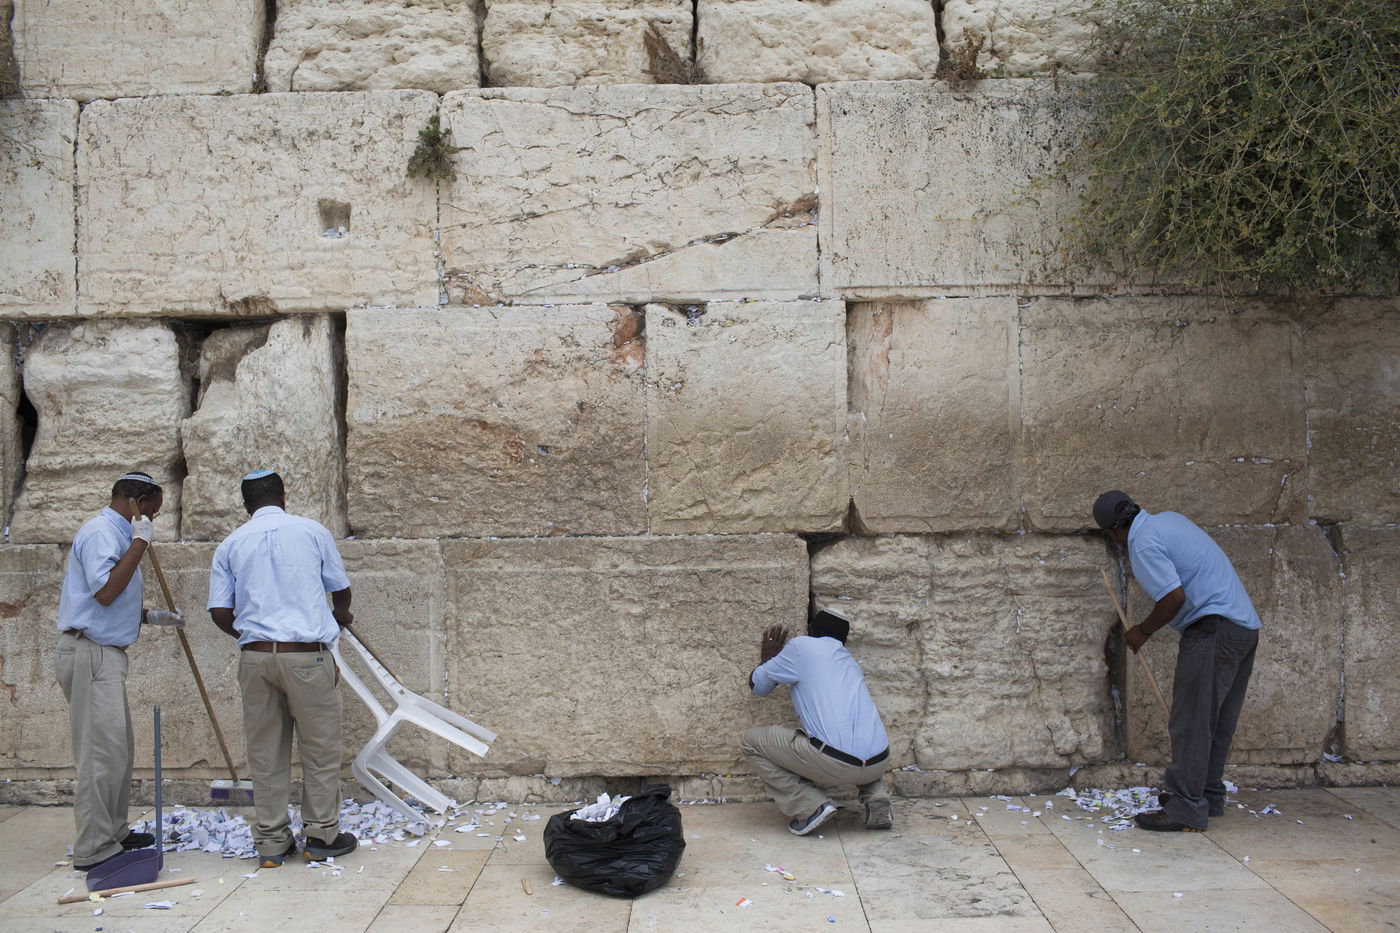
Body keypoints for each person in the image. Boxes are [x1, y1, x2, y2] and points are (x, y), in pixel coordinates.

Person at [207, 469, 357, 868]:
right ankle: (322, 835)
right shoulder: (312, 532)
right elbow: (339, 587)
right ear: (283, 496)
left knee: (265, 754)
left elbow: (220, 611)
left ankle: (272, 843)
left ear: (246, 505)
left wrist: (254, 636)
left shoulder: (231, 543)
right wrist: (340, 614)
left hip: (255, 659)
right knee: (320, 749)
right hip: (307, 655)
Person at [1093, 490, 1262, 832]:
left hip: (1213, 629)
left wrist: (1142, 631)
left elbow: (1173, 597)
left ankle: (1186, 807)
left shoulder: (1141, 543)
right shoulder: (1168, 520)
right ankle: (1207, 795)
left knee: (1192, 721)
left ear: (1112, 532)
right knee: (1215, 722)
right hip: (1244, 627)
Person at [55, 471, 185, 871]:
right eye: (153, 511)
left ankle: (114, 831)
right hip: (90, 653)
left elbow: (110, 599)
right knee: (99, 755)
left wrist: (148, 616)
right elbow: (106, 592)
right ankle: (93, 846)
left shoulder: (118, 536)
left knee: (118, 750)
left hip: (105, 654)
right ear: (136, 501)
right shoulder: (101, 533)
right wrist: (141, 542)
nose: (153, 519)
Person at [741, 607, 893, 836]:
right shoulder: (849, 661)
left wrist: (767, 659)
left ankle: (811, 807)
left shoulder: (801, 646)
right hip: (879, 762)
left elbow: (758, 686)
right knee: (861, 736)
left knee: (750, 741)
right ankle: (878, 799)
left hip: (835, 764)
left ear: (811, 630)